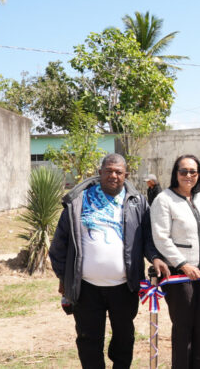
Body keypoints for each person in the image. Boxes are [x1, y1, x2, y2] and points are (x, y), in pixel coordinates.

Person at [49, 153, 170, 369]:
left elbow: (148, 239)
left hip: (124, 287)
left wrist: (155, 258)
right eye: (109, 171)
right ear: (100, 172)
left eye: (118, 172)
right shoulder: (78, 202)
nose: (113, 175)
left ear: (126, 175)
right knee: (89, 341)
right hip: (86, 289)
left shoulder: (137, 203)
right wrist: (64, 277)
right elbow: (59, 245)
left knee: (124, 340)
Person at [151, 154, 200, 369]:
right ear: (175, 174)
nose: (189, 175)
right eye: (183, 171)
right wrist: (182, 265)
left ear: (199, 174)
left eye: (193, 171)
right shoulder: (164, 200)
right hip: (180, 275)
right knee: (183, 328)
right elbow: (161, 238)